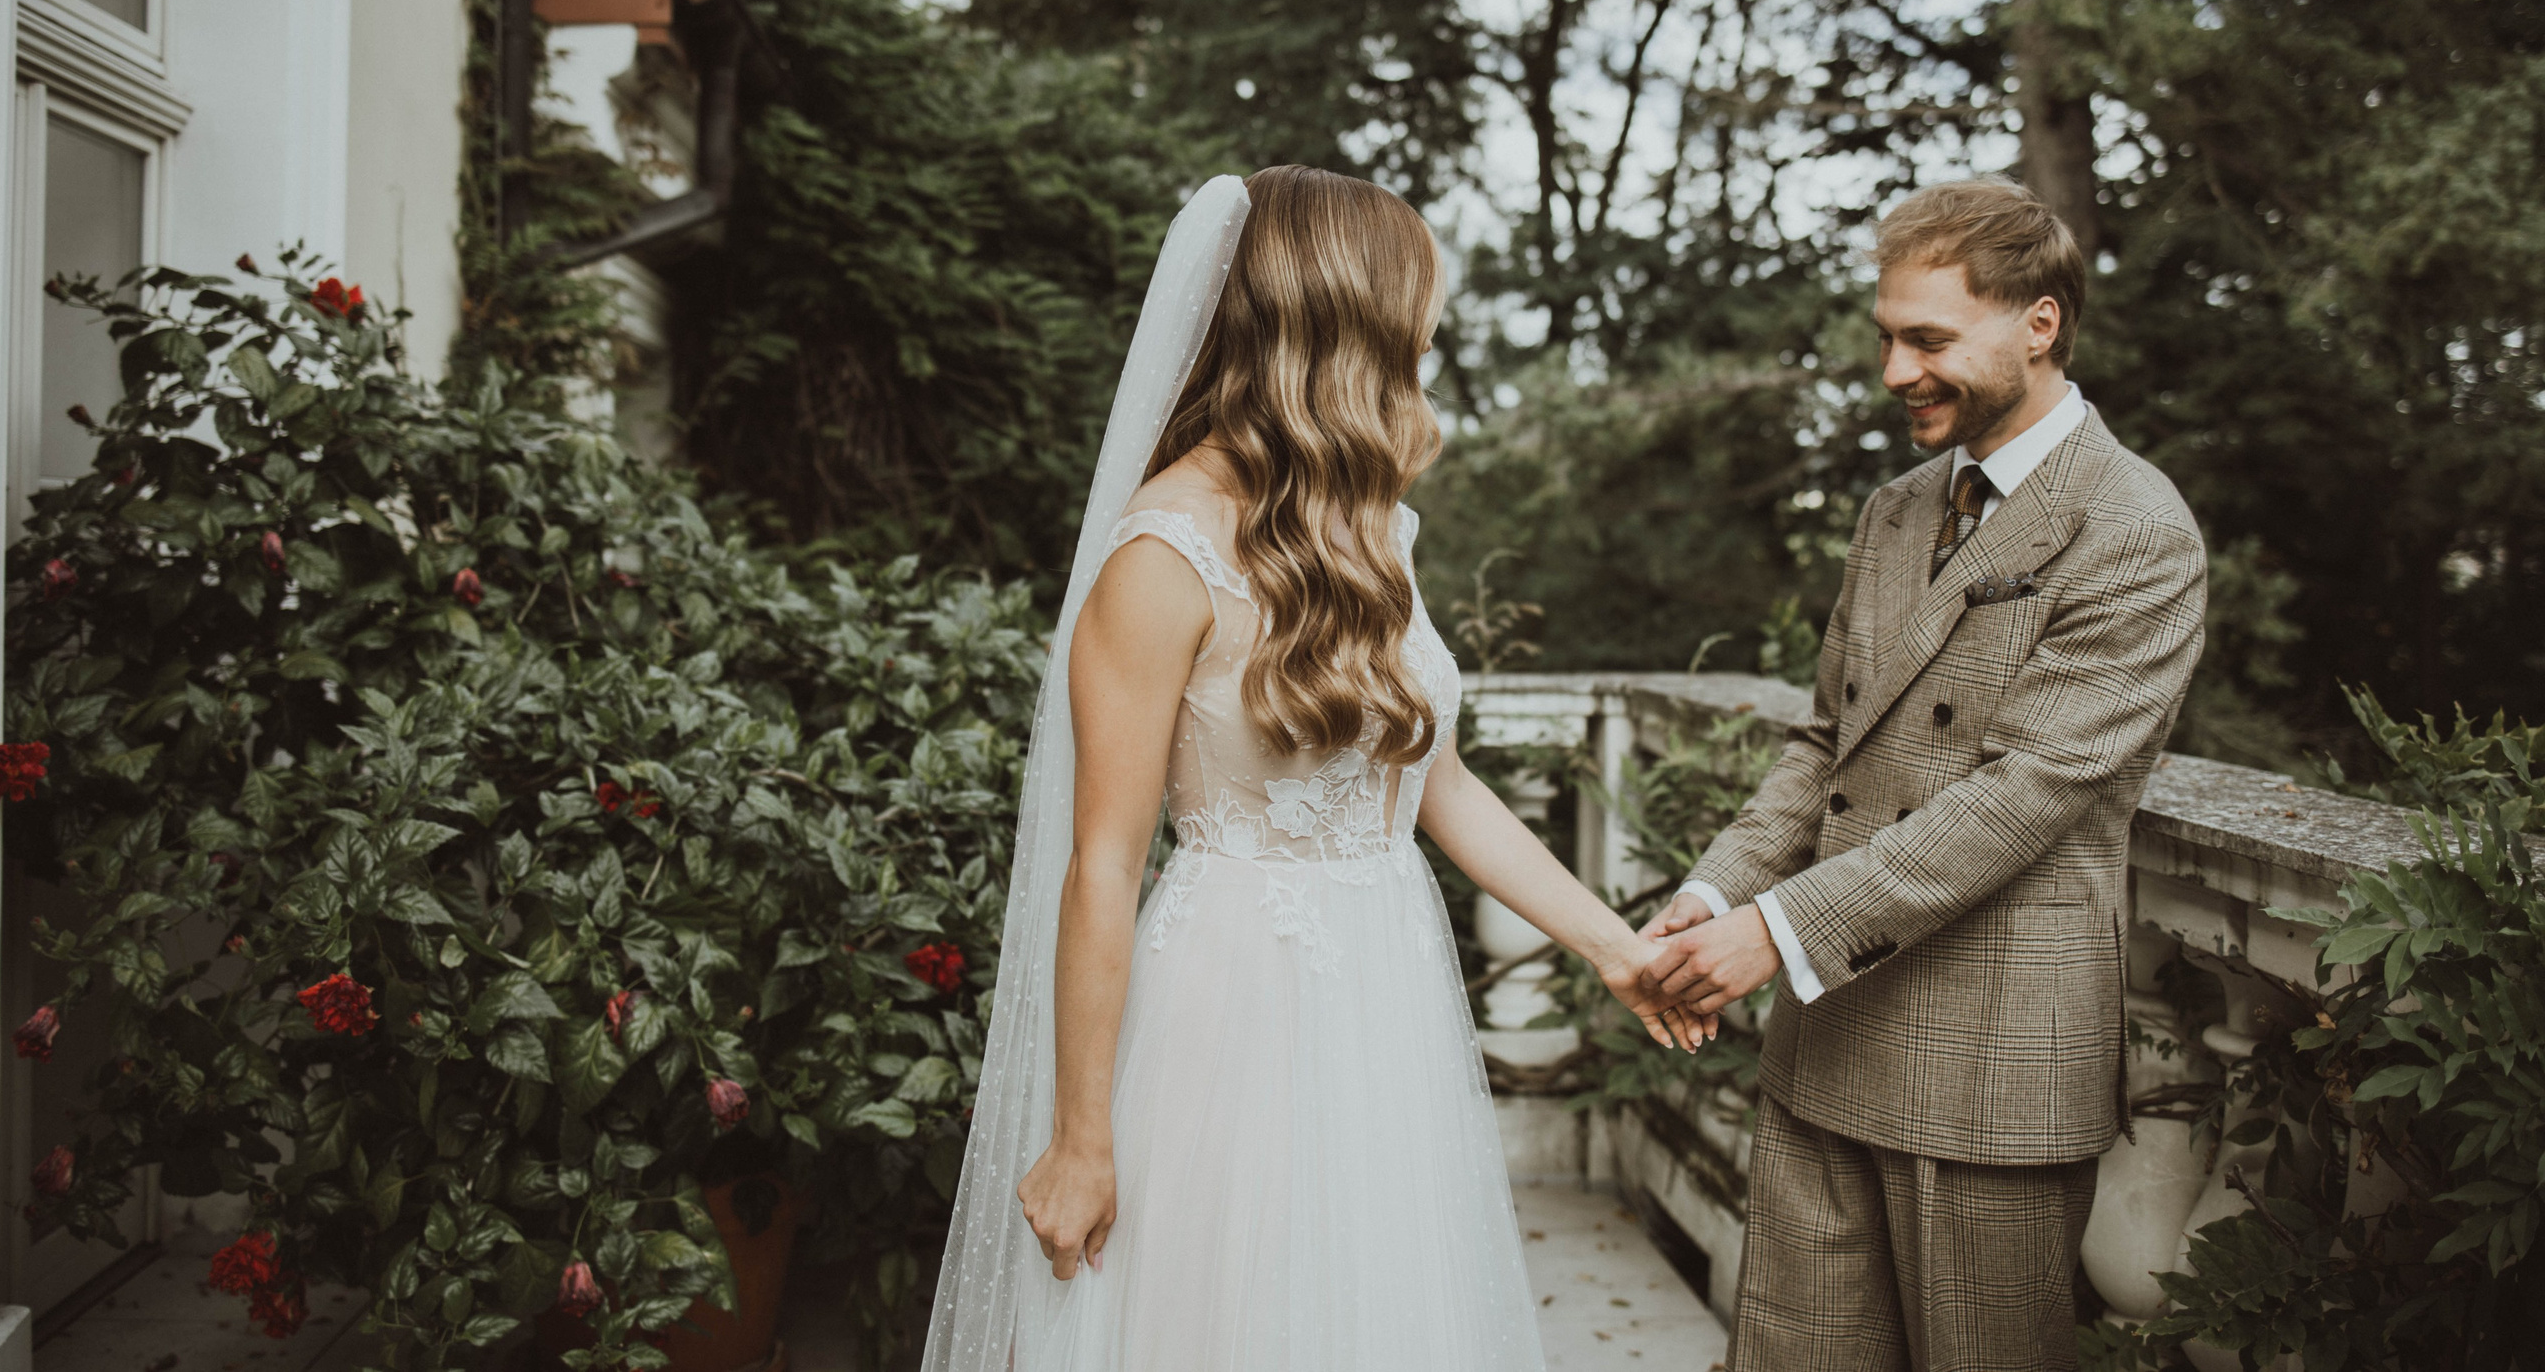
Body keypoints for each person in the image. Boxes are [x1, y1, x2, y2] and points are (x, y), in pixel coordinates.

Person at [921, 166, 1705, 1372]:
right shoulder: (1162, 556)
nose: (1435, 332)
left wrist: (1612, 946)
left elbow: (1435, 783)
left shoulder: (1376, 530)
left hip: (1386, 997)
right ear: (1350, 319)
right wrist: (1080, 1135)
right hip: (1231, 1010)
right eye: (1420, 309)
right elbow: (1102, 864)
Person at [1641, 177, 2209, 1370]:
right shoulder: (1894, 510)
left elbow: (2021, 799)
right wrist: (1710, 893)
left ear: (2038, 325)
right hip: (1823, 1038)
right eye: (1886, 337)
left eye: (1929, 340)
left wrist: (1772, 932)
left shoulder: (2134, 527)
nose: (1894, 371)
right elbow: (1824, 743)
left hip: (1991, 1062)